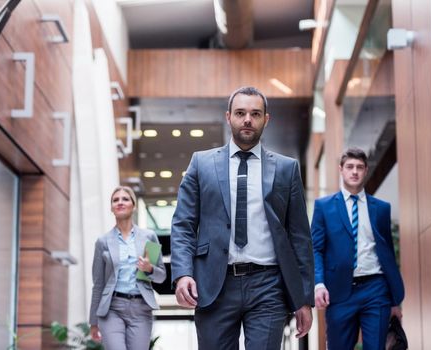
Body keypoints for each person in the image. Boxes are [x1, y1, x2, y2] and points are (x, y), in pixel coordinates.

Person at [170, 86, 314, 349]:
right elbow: (183, 224)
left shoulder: (286, 168)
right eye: (240, 113)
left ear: (265, 120)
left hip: (268, 285)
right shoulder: (201, 164)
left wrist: (304, 298)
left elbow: (299, 238)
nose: (247, 119)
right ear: (229, 117)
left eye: (255, 113)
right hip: (215, 284)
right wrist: (182, 273)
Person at [311, 148, 404, 350]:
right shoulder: (323, 207)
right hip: (338, 291)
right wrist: (319, 283)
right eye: (350, 167)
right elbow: (315, 249)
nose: (355, 172)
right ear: (341, 170)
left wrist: (394, 301)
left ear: (366, 170)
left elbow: (387, 253)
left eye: (360, 167)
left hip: (375, 289)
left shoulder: (381, 208)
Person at [89, 186, 166, 350]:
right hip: (112, 308)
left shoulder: (148, 237)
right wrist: (93, 322)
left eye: (125, 199)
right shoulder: (103, 241)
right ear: (111, 208)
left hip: (141, 308)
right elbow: (98, 285)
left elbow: (161, 277)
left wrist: (149, 268)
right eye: (115, 200)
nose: (120, 202)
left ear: (134, 205)